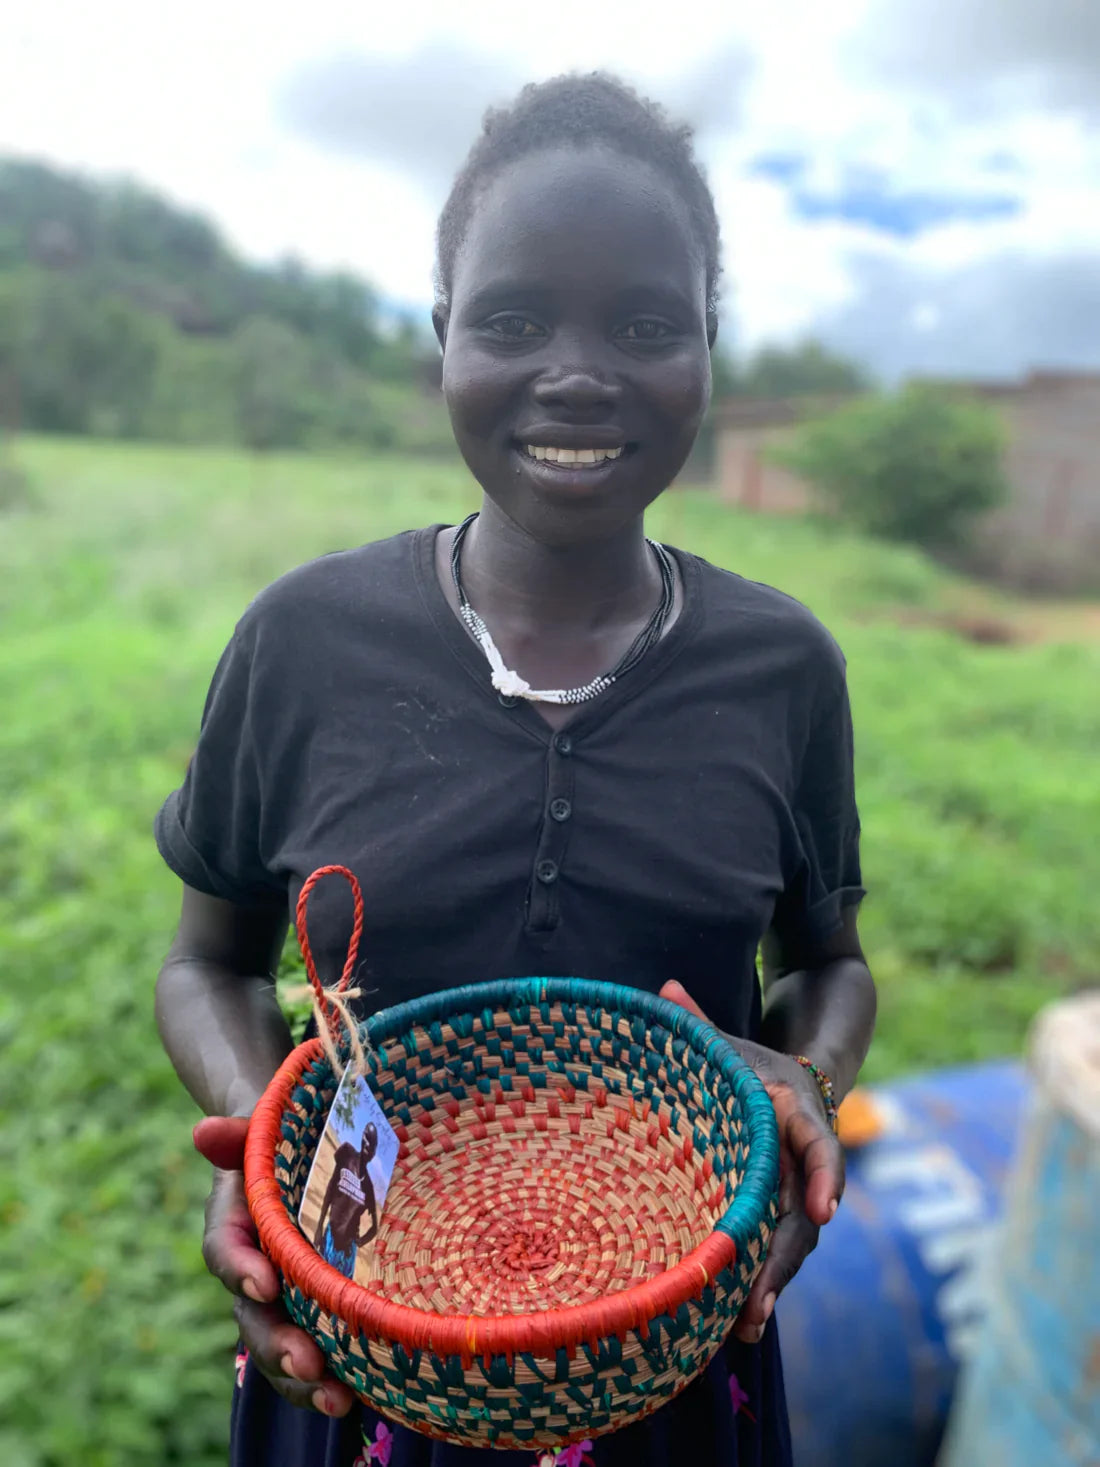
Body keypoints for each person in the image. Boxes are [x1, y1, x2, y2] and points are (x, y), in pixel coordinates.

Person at [156, 72, 876, 1467]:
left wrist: (806, 1074)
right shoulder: (303, 641)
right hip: (360, 1349)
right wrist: (273, 1150)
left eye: (647, 324)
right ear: (442, 341)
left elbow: (828, 957)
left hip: (676, 1358)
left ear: (709, 353)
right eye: (514, 318)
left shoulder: (784, 667)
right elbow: (206, 960)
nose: (579, 371)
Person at [313, 1121, 379, 1278]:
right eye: (366, 1137)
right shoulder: (346, 1155)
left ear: (374, 1153)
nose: (367, 1144)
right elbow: (329, 1191)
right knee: (319, 1278)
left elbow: (375, 1227)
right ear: (362, 1137)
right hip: (330, 1238)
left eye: (372, 1143)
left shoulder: (368, 1187)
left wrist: (361, 1241)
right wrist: (319, 1226)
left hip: (348, 1252)